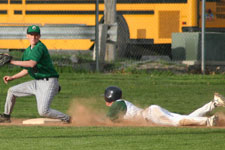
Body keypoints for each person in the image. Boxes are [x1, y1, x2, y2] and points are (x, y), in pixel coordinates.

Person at [0, 25, 71, 123]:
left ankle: (67, 118)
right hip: (37, 83)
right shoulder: (28, 51)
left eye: (36, 35)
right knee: (12, 91)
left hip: (48, 82)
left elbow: (31, 63)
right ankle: (6, 116)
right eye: (31, 34)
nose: (34, 37)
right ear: (27, 36)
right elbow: (26, 69)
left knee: (43, 111)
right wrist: (12, 77)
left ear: (39, 36)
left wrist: (11, 61)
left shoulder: (39, 47)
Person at [104, 86, 225, 127]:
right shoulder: (121, 103)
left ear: (109, 98)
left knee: (177, 122)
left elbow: (108, 120)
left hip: (151, 115)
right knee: (185, 118)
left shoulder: (117, 104)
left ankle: (208, 121)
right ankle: (214, 103)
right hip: (152, 112)